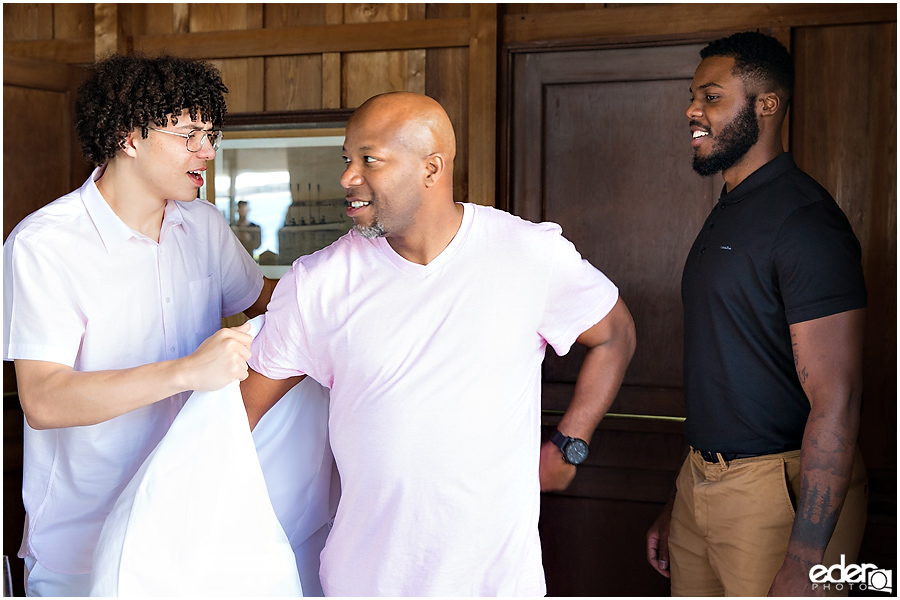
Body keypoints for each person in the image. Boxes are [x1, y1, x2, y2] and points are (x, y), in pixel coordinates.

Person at [240, 91, 636, 596]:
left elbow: (615, 335)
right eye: (347, 159)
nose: (347, 178)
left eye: (369, 160)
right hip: (364, 583)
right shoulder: (316, 282)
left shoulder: (528, 254)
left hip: (496, 585)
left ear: (432, 168)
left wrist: (569, 443)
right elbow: (239, 417)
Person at [2, 53, 277, 596]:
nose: (209, 151)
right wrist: (187, 372)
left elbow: (268, 306)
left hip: (189, 525)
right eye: (189, 134)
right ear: (130, 136)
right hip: (81, 548)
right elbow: (44, 400)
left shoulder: (202, 224)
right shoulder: (45, 244)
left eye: (211, 133)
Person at [645, 32, 868, 596]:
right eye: (694, 96)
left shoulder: (804, 221)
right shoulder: (731, 207)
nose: (692, 111)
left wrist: (808, 557)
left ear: (766, 105)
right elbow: (723, 369)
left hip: (776, 495)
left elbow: (836, 399)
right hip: (702, 482)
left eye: (712, 97)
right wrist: (681, 498)